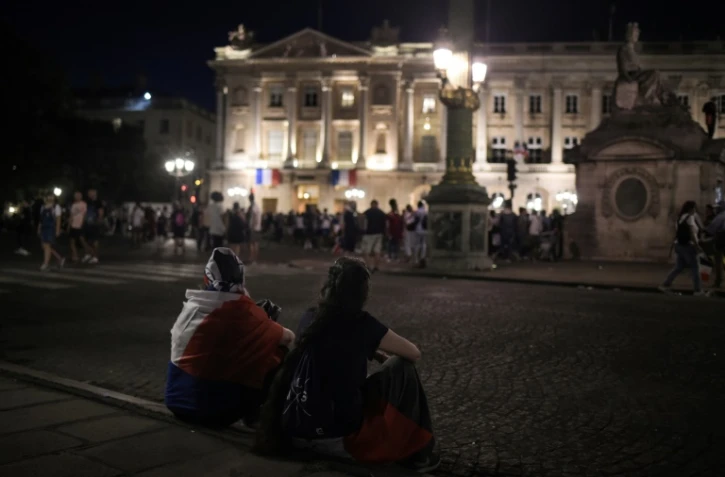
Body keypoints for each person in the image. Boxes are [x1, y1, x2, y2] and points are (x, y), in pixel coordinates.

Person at [255, 257, 439, 473]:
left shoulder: (311, 317)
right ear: (362, 293)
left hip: (296, 427)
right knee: (403, 366)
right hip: (337, 435)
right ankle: (419, 451)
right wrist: (378, 351)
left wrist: (374, 352)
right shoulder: (362, 324)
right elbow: (413, 353)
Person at [165, 248, 295, 428]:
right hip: (216, 414)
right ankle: (259, 416)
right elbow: (289, 338)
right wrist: (265, 321)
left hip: (176, 402)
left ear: (206, 279)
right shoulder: (247, 314)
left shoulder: (192, 307)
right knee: (279, 353)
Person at [659, 201, 708, 296]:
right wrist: (697, 246)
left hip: (679, 245)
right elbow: (692, 234)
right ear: (690, 209)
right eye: (694, 208)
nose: (695, 210)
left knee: (679, 267)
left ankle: (665, 285)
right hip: (688, 246)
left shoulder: (680, 218)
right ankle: (698, 290)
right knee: (695, 268)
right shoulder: (690, 217)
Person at [38, 194, 65, 271]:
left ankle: (45, 264)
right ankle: (60, 258)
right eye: (48, 196)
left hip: (51, 228)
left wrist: (57, 230)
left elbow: (58, 219)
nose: (50, 198)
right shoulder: (43, 207)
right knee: (44, 246)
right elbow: (41, 219)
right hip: (44, 228)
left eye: (51, 197)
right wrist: (39, 228)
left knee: (47, 245)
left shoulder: (56, 207)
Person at [361, 200, 387, 272]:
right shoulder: (382, 213)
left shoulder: (367, 212)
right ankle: (376, 266)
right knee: (377, 251)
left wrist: (362, 232)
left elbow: (363, 224)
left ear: (371, 204)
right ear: (377, 204)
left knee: (366, 251)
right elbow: (385, 225)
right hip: (379, 234)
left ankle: (368, 266)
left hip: (369, 234)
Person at [706, 200, 725, 290]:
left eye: (717, 208)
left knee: (718, 261)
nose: (715, 210)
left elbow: (711, 229)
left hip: (721, 241)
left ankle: (718, 281)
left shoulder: (720, 217)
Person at [82, 189, 104, 264]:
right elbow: (85, 212)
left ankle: (95, 256)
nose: (89, 194)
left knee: (94, 241)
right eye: (89, 193)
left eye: (91, 193)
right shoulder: (87, 202)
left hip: (94, 224)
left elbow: (101, 212)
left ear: (95, 194)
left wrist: (98, 221)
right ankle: (88, 254)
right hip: (87, 223)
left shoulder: (98, 202)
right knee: (86, 240)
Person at [66, 191, 88, 262]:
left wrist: (82, 223)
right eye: (76, 196)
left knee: (82, 241)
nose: (77, 197)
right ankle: (75, 256)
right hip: (73, 225)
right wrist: (69, 226)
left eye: (79, 196)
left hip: (79, 225)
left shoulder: (83, 204)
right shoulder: (73, 205)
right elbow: (71, 216)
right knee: (72, 242)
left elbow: (84, 215)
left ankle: (88, 253)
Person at [412, 201, 428, 268]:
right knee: (424, 244)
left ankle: (416, 259)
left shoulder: (417, 212)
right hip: (424, 229)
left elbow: (414, 220)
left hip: (418, 229)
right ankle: (422, 257)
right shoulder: (425, 211)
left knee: (417, 244)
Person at [247, 194, 262, 263]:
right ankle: (254, 258)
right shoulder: (256, 206)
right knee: (255, 243)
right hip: (257, 227)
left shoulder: (254, 206)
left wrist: (253, 226)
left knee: (253, 243)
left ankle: (253, 258)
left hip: (254, 228)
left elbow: (255, 217)